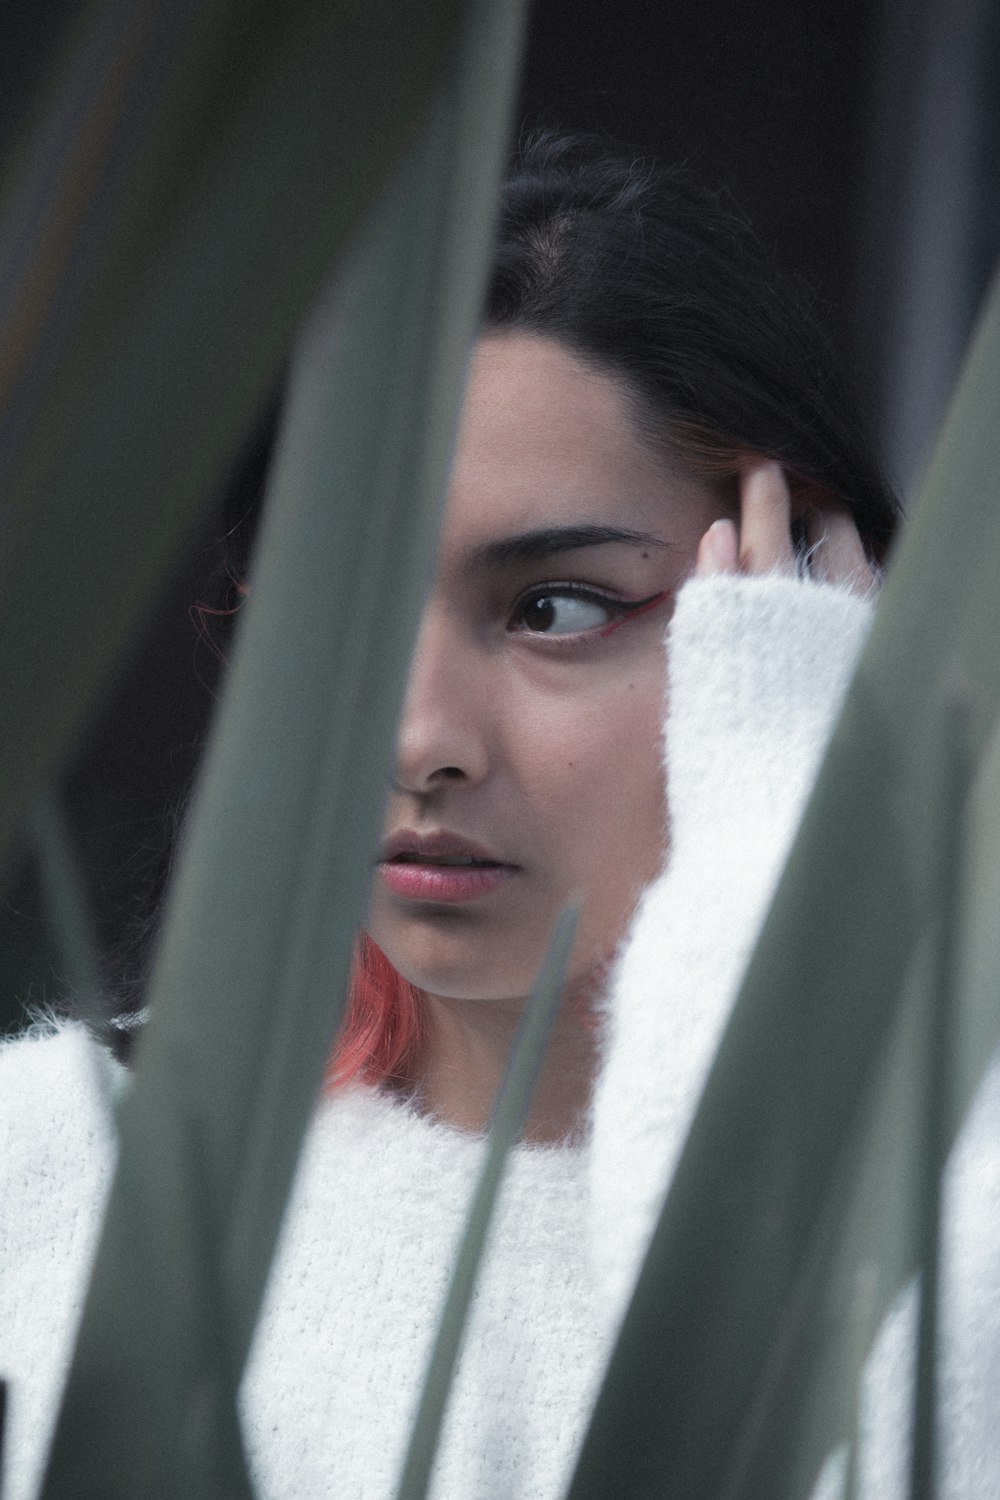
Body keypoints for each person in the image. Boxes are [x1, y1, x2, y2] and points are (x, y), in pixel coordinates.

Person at [5, 130, 993, 1500]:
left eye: (555, 610)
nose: (419, 742)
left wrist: (781, 821)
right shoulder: (62, 1170)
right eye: (347, 606)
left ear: (801, 603)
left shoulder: (962, 1224)